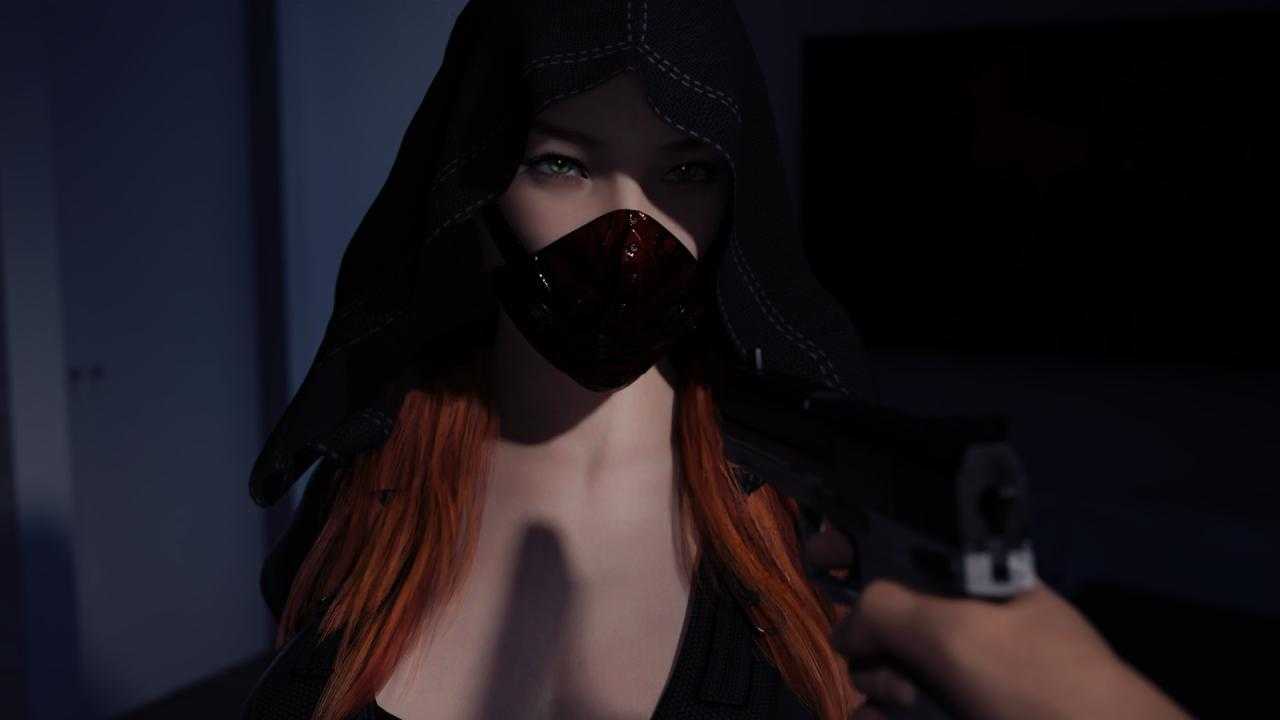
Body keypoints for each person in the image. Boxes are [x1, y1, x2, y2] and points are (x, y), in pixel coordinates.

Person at [241, 2, 1194, 719]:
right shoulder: (369, 484)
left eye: (688, 171)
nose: (631, 234)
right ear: (472, 187)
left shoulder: (801, 522)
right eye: (561, 163)